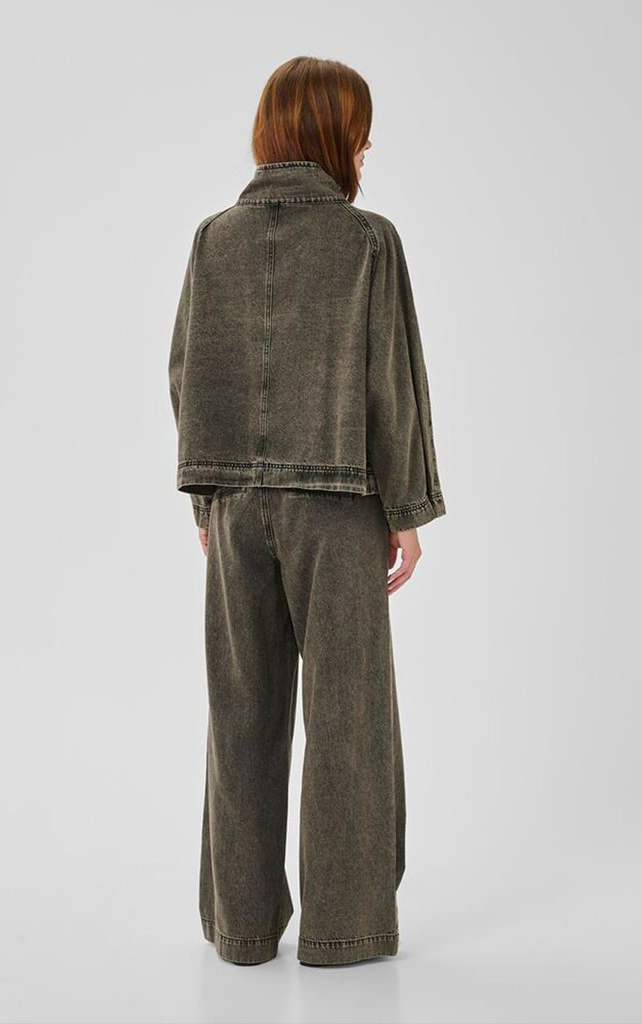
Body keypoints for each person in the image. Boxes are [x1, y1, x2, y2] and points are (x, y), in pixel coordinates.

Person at [168, 56, 446, 966]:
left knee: (240, 715)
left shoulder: (212, 239)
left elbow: (186, 370)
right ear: (331, 136)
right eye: (360, 132)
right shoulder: (368, 241)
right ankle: (344, 928)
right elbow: (391, 383)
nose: (367, 148)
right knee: (349, 720)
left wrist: (208, 494)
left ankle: (243, 930)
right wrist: (406, 507)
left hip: (235, 505)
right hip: (337, 503)